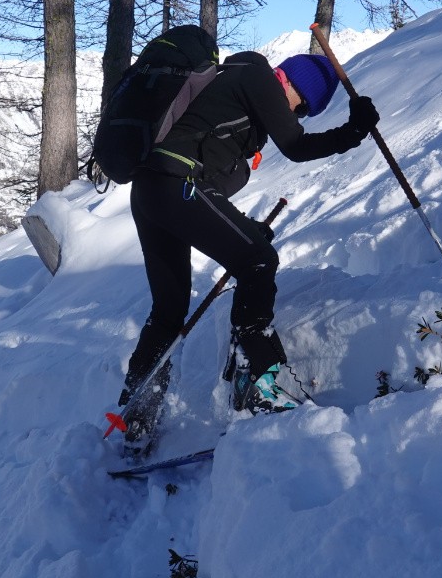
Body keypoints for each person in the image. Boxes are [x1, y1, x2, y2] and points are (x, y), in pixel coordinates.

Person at [118, 47, 380, 442]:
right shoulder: (258, 79)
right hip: (176, 186)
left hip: (153, 191)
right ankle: (255, 382)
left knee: (169, 311)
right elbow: (296, 146)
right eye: (303, 107)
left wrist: (244, 228)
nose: (296, 114)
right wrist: (353, 132)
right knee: (258, 261)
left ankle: (136, 414)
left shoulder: (234, 88)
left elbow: (212, 190)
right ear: (295, 86)